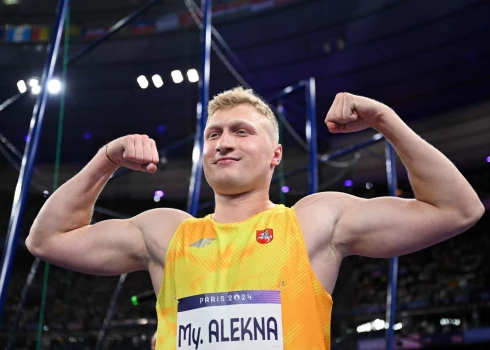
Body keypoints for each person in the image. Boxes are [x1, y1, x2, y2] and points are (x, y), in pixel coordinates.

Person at [26, 87, 484, 349]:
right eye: (213, 134)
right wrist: (105, 160)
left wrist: (386, 120)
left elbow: (456, 209)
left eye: (241, 131)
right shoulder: (166, 231)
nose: (223, 142)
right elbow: (46, 240)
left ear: (275, 155)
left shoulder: (313, 221)